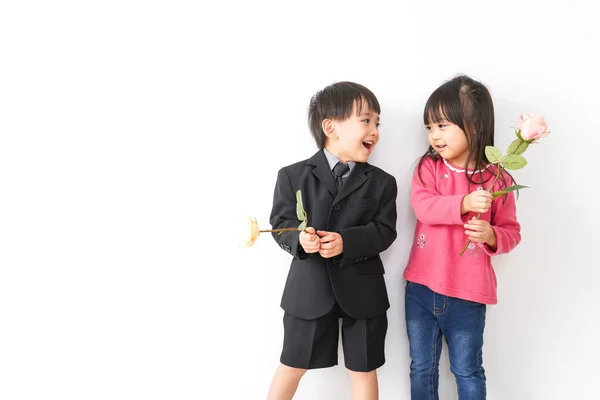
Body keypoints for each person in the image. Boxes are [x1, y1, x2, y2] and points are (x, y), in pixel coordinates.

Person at [266, 81, 398, 400]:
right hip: (309, 289)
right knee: (292, 364)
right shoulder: (292, 176)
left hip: (363, 291)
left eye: (377, 122)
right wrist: (301, 240)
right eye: (365, 120)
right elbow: (280, 224)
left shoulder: (382, 183)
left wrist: (346, 242)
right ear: (331, 127)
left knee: (364, 370)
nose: (375, 130)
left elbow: (385, 230)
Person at [403, 75, 521, 399]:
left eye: (442, 125)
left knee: (467, 369)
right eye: (430, 127)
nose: (434, 135)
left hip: (469, 295)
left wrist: (491, 234)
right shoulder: (428, 167)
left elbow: (512, 232)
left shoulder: (498, 179)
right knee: (421, 368)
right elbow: (424, 207)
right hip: (421, 290)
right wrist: (465, 203)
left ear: (475, 124)